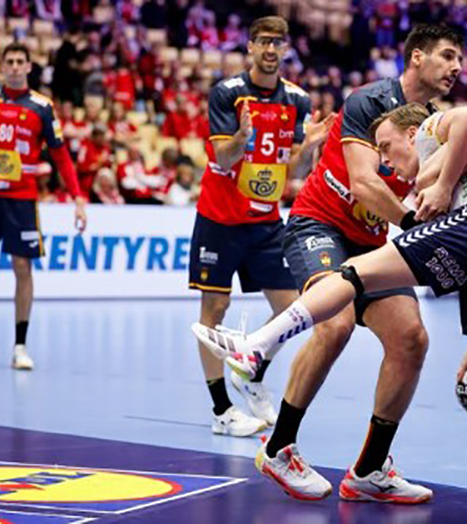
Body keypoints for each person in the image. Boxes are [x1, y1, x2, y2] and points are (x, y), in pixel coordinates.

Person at [195, 24, 464, 503]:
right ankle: (279, 447)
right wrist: (412, 225)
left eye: (459, 59)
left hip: (369, 241)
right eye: (447, 55)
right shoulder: (368, 100)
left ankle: (369, 469)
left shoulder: (434, 125)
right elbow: (364, 183)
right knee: (334, 321)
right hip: (317, 225)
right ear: (417, 57)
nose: (457, 67)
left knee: (411, 338)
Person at [188, 16, 334, 437]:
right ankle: (222, 411)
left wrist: (309, 147)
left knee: (293, 309)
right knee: (214, 310)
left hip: (266, 221)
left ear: (285, 49)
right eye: (263, 42)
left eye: (277, 42)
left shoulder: (297, 99)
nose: (270, 49)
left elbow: (295, 170)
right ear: (250, 47)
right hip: (220, 218)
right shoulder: (228, 93)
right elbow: (223, 158)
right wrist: (241, 138)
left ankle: (252, 373)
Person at [0, 43, 87, 370]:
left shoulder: (42, 107)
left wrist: (78, 197)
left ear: (28, 67)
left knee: (23, 268)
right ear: (2, 67)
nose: (14, 66)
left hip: (21, 199)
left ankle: (20, 346)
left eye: (19, 61)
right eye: (9, 61)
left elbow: (61, 157)